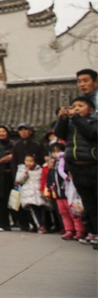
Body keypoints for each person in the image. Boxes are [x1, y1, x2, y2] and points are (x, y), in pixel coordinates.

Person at [54, 95, 98, 244]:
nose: (76, 108)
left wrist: (77, 119)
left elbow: (91, 133)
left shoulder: (93, 122)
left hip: (93, 165)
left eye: (81, 106)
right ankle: (93, 231)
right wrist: (63, 119)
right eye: (74, 106)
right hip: (76, 167)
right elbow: (59, 134)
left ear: (91, 110)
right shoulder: (71, 125)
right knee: (88, 202)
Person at [46, 142, 87, 240]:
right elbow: (50, 176)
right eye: (53, 152)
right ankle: (69, 229)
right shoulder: (54, 164)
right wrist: (50, 185)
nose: (56, 154)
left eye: (58, 151)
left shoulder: (66, 162)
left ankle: (80, 230)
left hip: (68, 192)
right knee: (64, 213)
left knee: (74, 212)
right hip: (58, 193)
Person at [0, 125, 16, 231]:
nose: (1, 133)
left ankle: (19, 221)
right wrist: (6, 158)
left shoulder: (13, 144)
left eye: (3, 131)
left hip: (12, 173)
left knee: (15, 198)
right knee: (2, 199)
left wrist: (7, 158)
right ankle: (3, 223)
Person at [15, 154, 46, 232]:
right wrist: (25, 173)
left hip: (39, 192)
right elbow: (18, 180)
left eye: (31, 161)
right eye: (27, 161)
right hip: (28, 192)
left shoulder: (40, 169)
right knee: (33, 209)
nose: (28, 163)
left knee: (41, 209)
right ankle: (40, 226)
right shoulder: (22, 169)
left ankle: (40, 225)